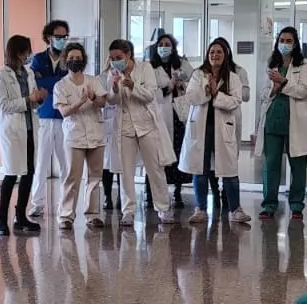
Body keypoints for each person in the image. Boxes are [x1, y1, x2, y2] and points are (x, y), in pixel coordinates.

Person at [177, 37, 249, 224]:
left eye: (219, 52)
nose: (215, 55)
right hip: (201, 128)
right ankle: (201, 208)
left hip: (223, 129)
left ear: (225, 55)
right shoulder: (198, 74)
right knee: (200, 169)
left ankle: (235, 209)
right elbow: (191, 97)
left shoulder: (233, 77)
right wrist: (207, 90)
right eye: (212, 52)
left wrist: (217, 93)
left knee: (229, 170)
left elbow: (235, 101)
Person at [106, 38, 175, 226]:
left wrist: (132, 86)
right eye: (112, 58)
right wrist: (114, 89)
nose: (115, 61)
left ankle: (163, 207)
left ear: (128, 54)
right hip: (125, 127)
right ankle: (128, 211)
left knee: (155, 168)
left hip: (146, 125)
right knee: (125, 171)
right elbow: (111, 100)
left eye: (118, 57)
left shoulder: (145, 68)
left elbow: (150, 95)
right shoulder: (113, 73)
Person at [256, 27, 307, 221]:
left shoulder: (304, 64)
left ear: (295, 43)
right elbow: (263, 93)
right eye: (282, 40)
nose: (285, 44)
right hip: (273, 120)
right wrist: (273, 89)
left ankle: (296, 206)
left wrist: (283, 82)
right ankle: (269, 205)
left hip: (296, 121)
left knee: (298, 167)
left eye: (289, 41)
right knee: (271, 165)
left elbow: (303, 91)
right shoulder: (272, 63)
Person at [52, 43, 109, 231]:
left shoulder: (93, 81)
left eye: (78, 58)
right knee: (72, 177)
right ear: (65, 60)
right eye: (71, 58)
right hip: (74, 136)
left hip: (95, 134)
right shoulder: (61, 85)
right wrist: (81, 101)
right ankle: (66, 216)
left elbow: (102, 102)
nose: (75, 61)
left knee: (95, 177)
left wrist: (93, 98)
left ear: (83, 60)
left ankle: (92, 215)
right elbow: (64, 111)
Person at [0, 35, 44, 237]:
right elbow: (4, 105)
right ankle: (1, 220)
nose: (28, 56)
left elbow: (32, 101)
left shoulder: (28, 73)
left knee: (29, 172)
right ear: (16, 52)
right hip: (13, 131)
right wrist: (27, 100)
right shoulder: (2, 75)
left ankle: (20, 217)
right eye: (25, 52)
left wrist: (38, 99)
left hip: (30, 128)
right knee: (11, 174)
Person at [27, 20, 71, 220]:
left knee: (66, 164)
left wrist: (52, 83)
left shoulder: (69, 59)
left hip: (64, 117)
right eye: (58, 37)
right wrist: (58, 82)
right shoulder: (39, 59)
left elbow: (69, 84)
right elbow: (38, 83)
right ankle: (37, 204)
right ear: (49, 38)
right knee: (41, 163)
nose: (62, 40)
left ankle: (66, 205)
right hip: (44, 116)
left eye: (64, 37)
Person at [148, 31, 192, 209]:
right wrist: (168, 87)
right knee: (157, 156)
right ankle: (153, 193)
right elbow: (150, 93)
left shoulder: (181, 64)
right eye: (161, 45)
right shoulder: (150, 68)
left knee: (177, 152)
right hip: (159, 115)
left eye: (167, 45)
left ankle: (177, 192)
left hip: (177, 115)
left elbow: (193, 82)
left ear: (173, 48)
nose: (164, 48)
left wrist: (182, 85)